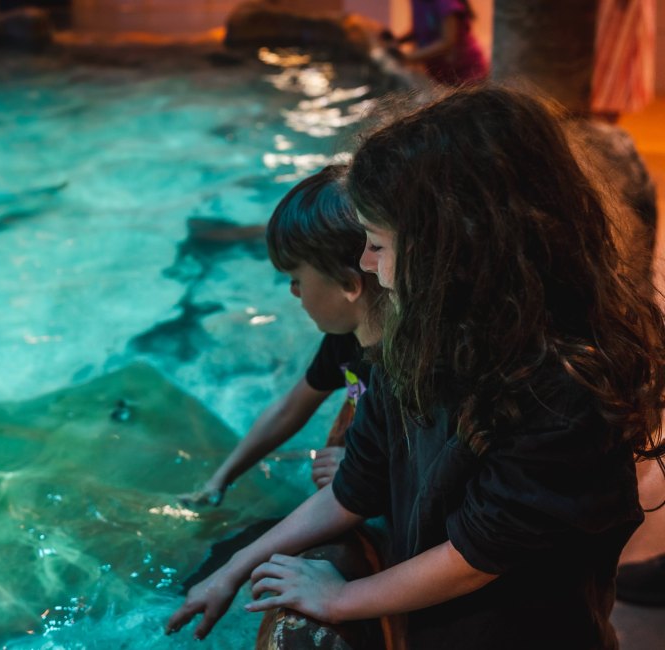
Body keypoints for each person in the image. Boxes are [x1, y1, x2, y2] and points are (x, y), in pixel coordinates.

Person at [166, 84, 665, 649]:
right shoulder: (414, 345)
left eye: (377, 243)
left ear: (455, 249)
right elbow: (353, 490)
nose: (364, 263)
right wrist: (232, 571)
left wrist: (340, 598)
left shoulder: (563, 390)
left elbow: (476, 555)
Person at [177, 165, 385, 508]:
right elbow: (290, 409)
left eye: (297, 280)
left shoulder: (407, 371)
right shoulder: (348, 335)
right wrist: (221, 479)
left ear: (349, 284)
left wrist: (372, 477)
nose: (292, 292)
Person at [382, 0, 488, 86]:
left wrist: (407, 58)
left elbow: (447, 43)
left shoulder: (446, 3)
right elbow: (420, 29)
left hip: (467, 73)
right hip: (441, 76)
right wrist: (397, 42)